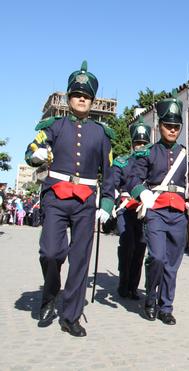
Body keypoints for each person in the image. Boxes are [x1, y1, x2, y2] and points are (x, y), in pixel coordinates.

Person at [24, 61, 115, 336]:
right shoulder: (54, 126)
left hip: (86, 200)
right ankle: (50, 294)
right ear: (68, 97)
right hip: (56, 195)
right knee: (51, 252)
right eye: (77, 95)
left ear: (92, 101)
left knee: (80, 259)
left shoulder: (101, 133)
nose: (81, 100)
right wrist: (35, 155)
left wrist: (107, 203)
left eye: (86, 96)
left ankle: (70, 316)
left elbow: (108, 172)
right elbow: (33, 148)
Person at [129, 92, 189, 325]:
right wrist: (142, 192)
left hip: (179, 214)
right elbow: (133, 178)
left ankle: (166, 307)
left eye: (176, 126)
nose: (172, 130)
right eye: (168, 125)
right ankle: (150, 298)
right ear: (160, 126)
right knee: (157, 258)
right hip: (157, 212)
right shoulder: (149, 152)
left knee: (172, 264)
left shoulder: (187, 155)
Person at [112, 119, 151, 300]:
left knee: (140, 248)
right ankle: (123, 282)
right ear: (132, 144)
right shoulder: (122, 162)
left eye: (144, 143)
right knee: (127, 245)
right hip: (126, 208)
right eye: (138, 143)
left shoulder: (151, 162)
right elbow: (112, 183)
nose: (140, 146)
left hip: (143, 211)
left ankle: (133, 287)